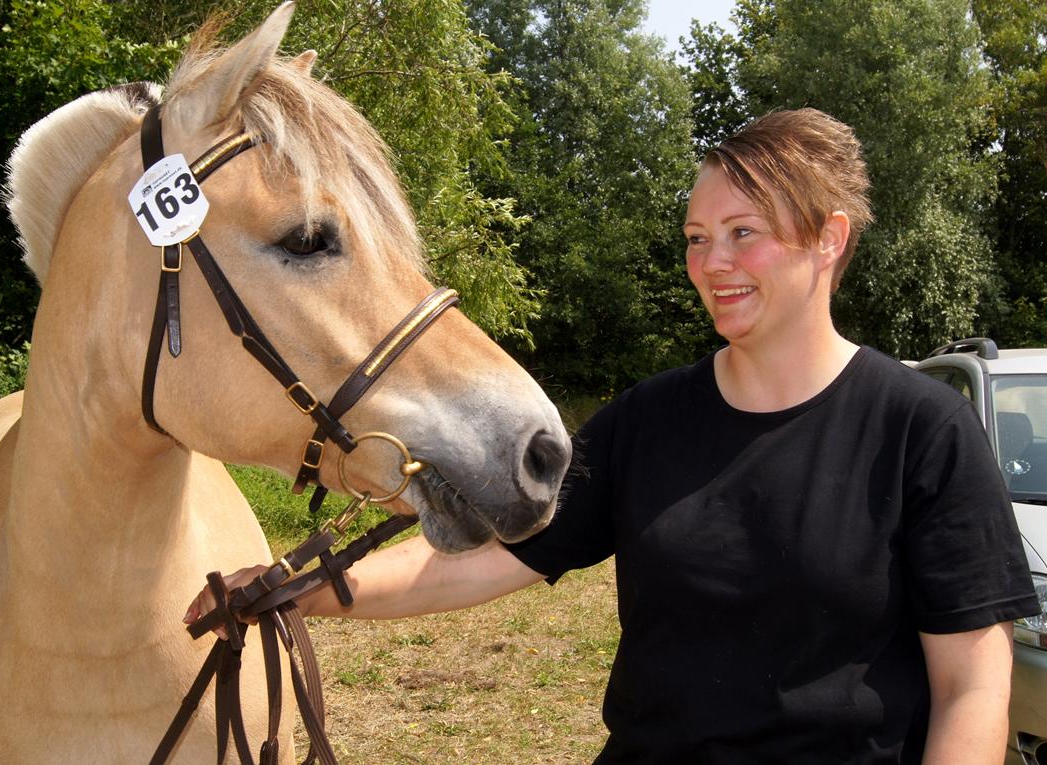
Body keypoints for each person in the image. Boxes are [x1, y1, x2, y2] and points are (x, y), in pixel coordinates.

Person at [186, 108, 1040, 763]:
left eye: (743, 233)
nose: (712, 262)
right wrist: (308, 588)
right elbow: (489, 556)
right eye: (698, 237)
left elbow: (971, 685)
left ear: (828, 239)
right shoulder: (649, 419)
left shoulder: (922, 430)